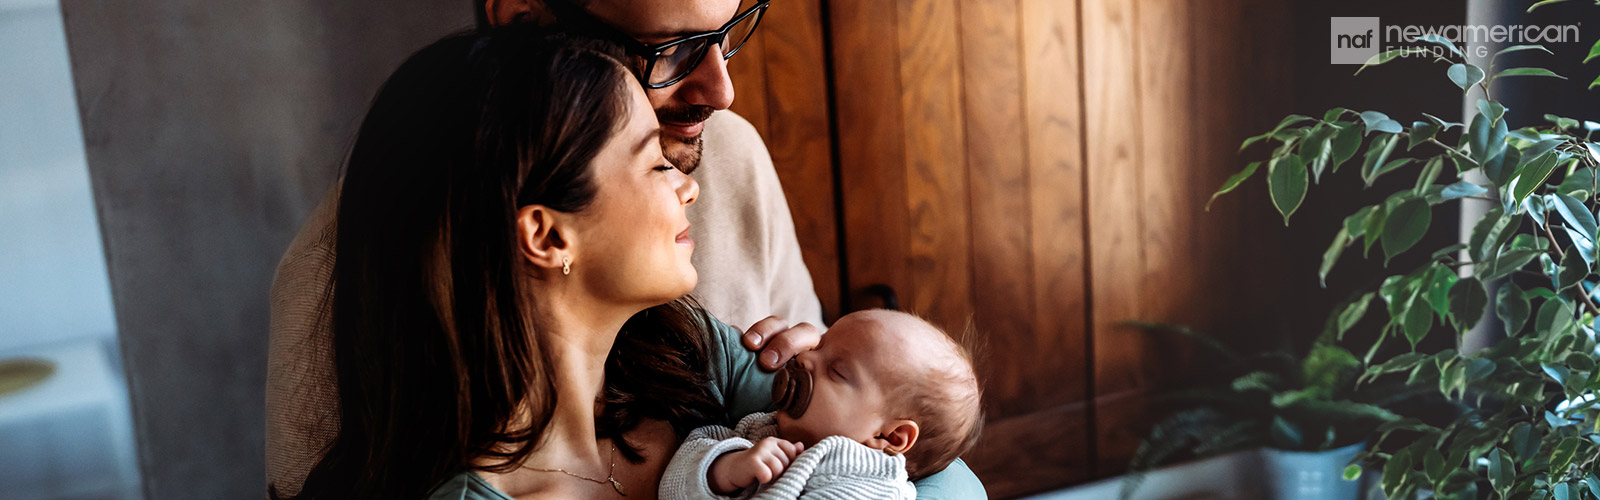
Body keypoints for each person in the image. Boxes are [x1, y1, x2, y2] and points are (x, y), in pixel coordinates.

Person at [264, 0, 988, 497]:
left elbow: (920, 450)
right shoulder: (346, 284)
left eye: (731, 28)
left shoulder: (687, 348)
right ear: (546, 234)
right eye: (652, 162)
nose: (722, 94)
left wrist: (832, 370)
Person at [660, 310, 983, 500]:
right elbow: (673, 485)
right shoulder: (760, 427)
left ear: (889, 437)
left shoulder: (870, 487)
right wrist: (725, 469)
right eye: (819, 345)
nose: (803, 357)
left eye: (837, 370)